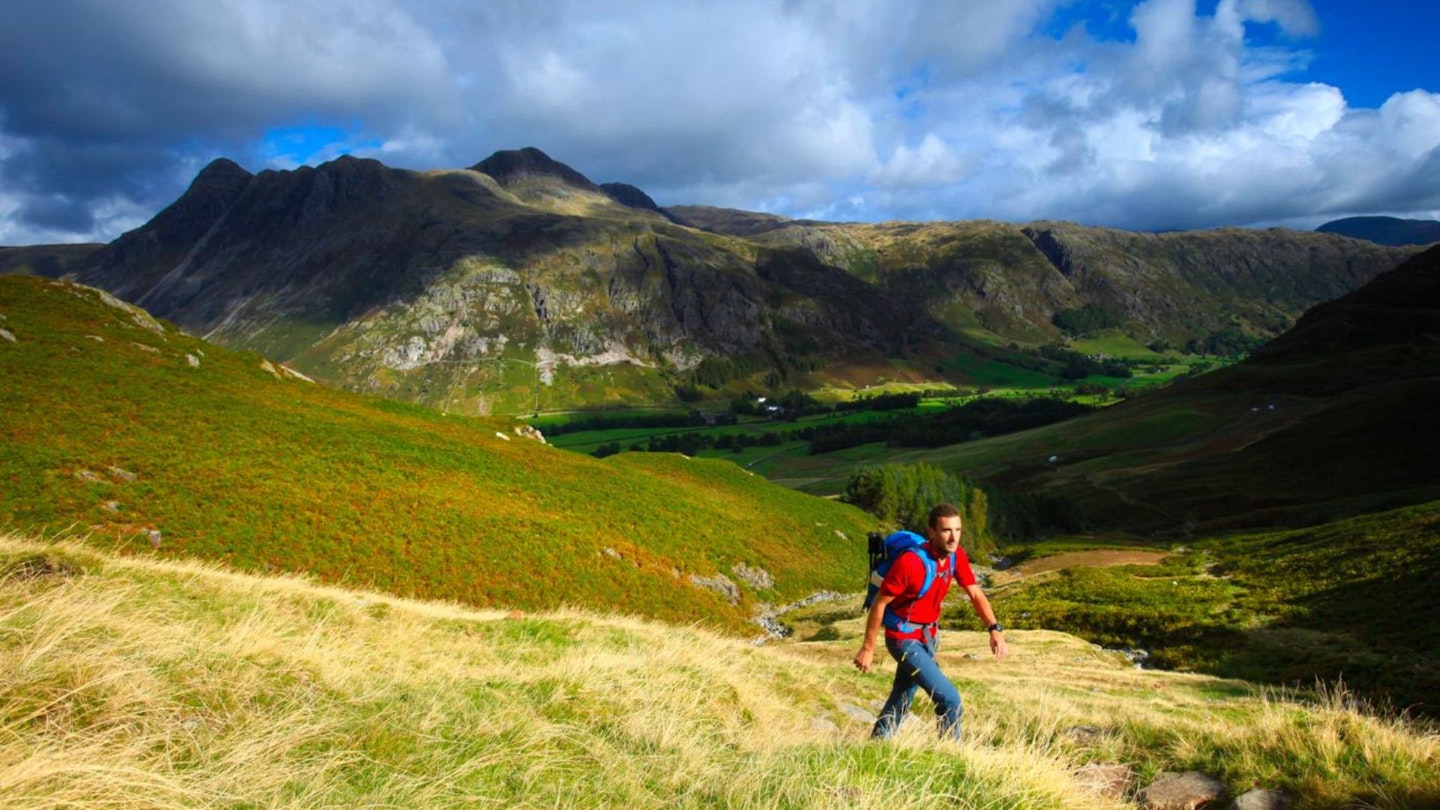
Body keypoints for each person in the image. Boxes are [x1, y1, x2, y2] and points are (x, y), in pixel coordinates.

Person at [852, 503, 1007, 741]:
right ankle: (950, 755)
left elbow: (975, 593)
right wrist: (868, 648)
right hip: (903, 639)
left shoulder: (956, 556)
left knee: (903, 694)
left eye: (958, 530)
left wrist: (994, 629)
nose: (953, 537)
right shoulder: (911, 563)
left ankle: (877, 744)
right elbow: (879, 604)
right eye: (946, 530)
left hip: (929, 636)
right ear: (932, 532)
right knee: (950, 699)